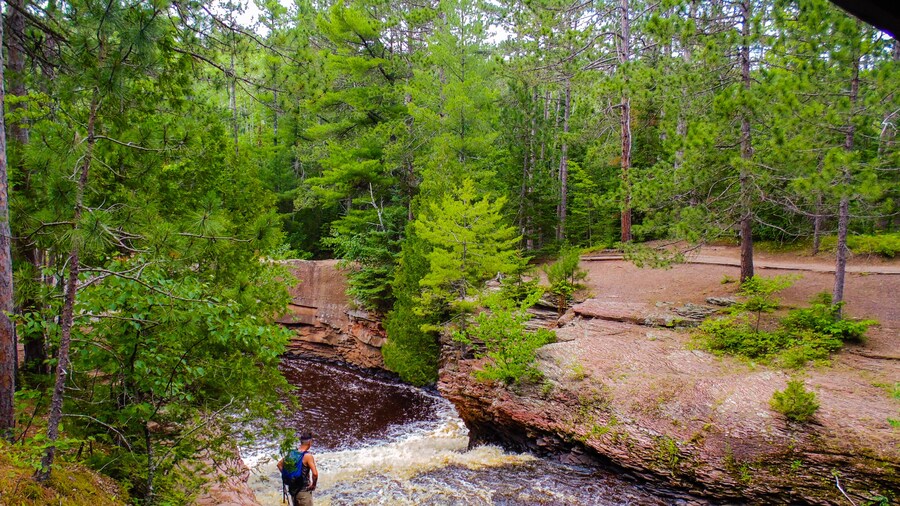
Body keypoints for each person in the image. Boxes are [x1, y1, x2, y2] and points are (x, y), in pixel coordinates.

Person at [277, 432, 318, 506]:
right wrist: (313, 485)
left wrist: (289, 476)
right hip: (303, 491)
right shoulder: (308, 456)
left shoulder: (292, 453)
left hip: (293, 490)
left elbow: (279, 465)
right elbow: (315, 474)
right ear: (309, 442)